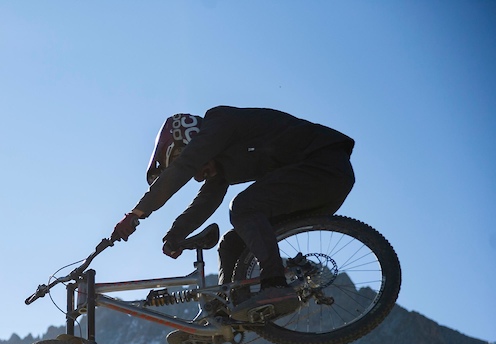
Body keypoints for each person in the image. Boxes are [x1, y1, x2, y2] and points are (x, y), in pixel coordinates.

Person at [111, 106, 356, 324]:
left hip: (324, 166)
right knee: (232, 243)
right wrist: (174, 236)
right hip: (320, 186)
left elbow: (184, 167)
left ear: (190, 139)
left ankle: (275, 285)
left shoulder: (219, 122)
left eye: (189, 159)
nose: (198, 176)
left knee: (243, 208)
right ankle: (227, 310)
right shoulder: (222, 163)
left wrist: (137, 212)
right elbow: (205, 202)